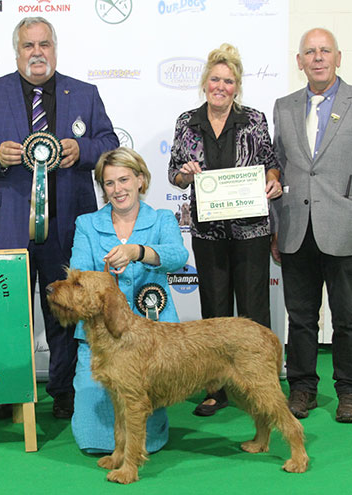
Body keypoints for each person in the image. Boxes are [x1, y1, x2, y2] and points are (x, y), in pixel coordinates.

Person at [0, 17, 119, 419]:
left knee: (65, 308)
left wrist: (80, 150)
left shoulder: (84, 93)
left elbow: (109, 143)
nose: (37, 53)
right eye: (29, 46)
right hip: (8, 223)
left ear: (54, 49)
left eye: (44, 45)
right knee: (6, 309)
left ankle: (64, 391)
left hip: (67, 222)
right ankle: (7, 389)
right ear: (17, 52)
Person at [168, 43, 282, 417]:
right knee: (214, 314)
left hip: (252, 231)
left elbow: (271, 163)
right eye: (215, 79)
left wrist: (273, 180)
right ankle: (216, 389)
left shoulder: (254, 119)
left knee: (252, 311)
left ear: (237, 86)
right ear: (205, 82)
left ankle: (258, 387)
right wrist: (185, 173)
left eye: (228, 81)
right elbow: (175, 174)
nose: (221, 86)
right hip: (208, 233)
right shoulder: (187, 122)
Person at [69, 147, 188, 452]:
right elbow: (78, 272)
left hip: (152, 340)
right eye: (109, 183)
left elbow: (178, 256)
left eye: (124, 180)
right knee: (92, 440)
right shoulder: (87, 224)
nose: (117, 189)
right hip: (102, 338)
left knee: (146, 436)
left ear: (140, 180)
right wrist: (100, 275)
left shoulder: (161, 219)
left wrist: (139, 252)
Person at [272, 28, 352, 423]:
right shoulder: (283, 106)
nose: (318, 57)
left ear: (339, 57)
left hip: (344, 228)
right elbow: (278, 166)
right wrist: (274, 225)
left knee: (347, 318)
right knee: (300, 318)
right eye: (309, 52)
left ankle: (348, 390)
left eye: (325, 51)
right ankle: (302, 388)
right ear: (299, 61)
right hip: (295, 227)